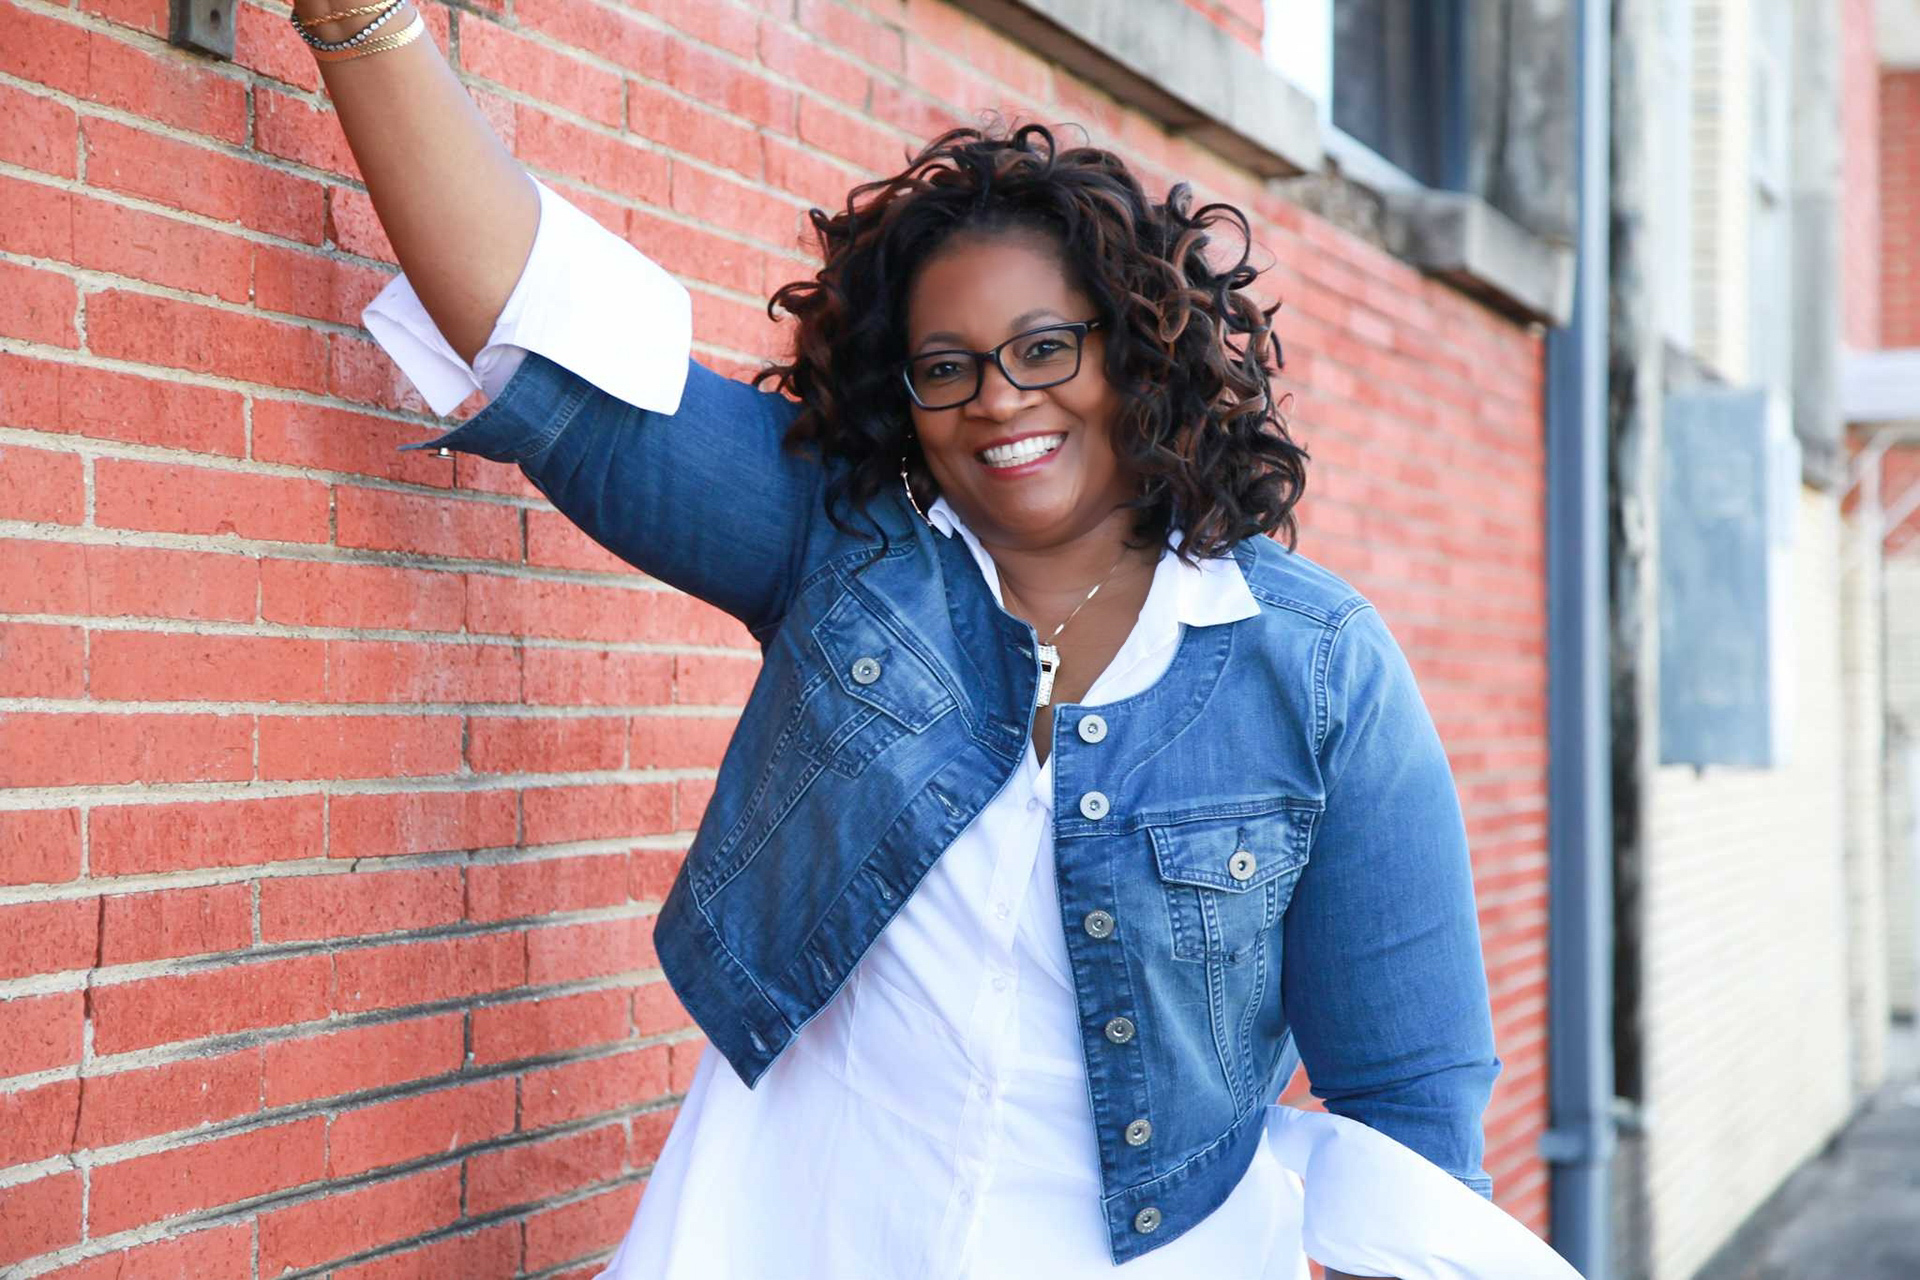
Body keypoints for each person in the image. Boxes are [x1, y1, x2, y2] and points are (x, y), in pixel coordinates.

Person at [298, 3, 1572, 1276]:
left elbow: (1410, 1129)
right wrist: (360, 21)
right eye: (945, 365)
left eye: (1044, 347)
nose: (999, 399)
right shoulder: (846, 558)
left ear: (1137, 348)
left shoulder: (1317, 671)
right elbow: (552, 338)